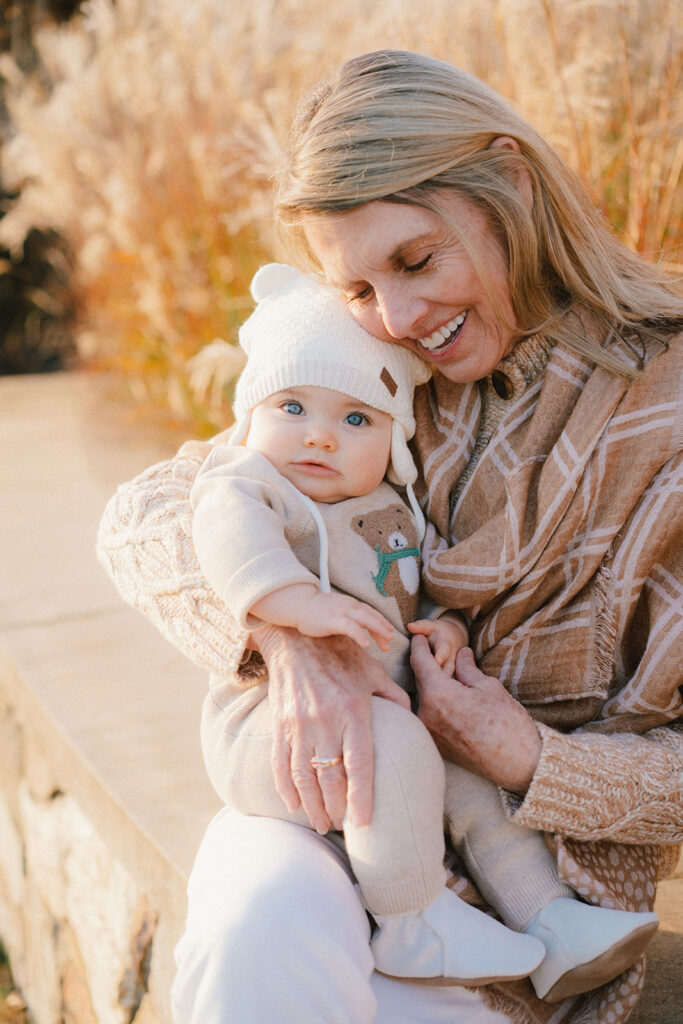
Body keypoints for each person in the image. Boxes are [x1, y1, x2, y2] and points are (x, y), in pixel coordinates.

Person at [97, 50, 683, 1024]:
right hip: (324, 809)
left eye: (415, 260)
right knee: (251, 928)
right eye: (360, 288)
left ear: (510, 184)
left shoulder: (661, 411)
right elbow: (151, 514)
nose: (399, 318)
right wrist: (287, 635)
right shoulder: (368, 364)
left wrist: (527, 755)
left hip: (533, 907)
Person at [189, 259, 658, 996]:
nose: (319, 437)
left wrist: (445, 631)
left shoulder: (391, 510)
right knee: (396, 743)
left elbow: (413, 589)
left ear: (393, 441)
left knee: (475, 791)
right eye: (292, 408)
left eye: (355, 420)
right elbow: (226, 537)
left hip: (393, 724)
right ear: (250, 416)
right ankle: (411, 923)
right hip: (273, 732)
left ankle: (549, 919)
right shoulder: (252, 482)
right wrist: (298, 612)